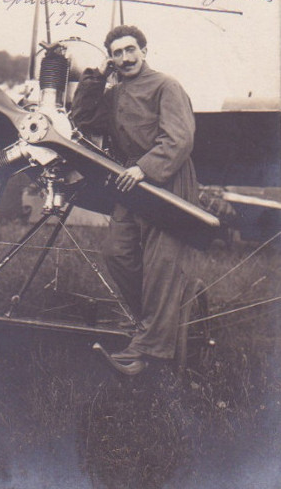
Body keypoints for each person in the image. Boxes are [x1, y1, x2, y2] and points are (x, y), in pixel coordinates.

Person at [71, 25, 199, 373]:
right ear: (110, 58)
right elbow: (81, 120)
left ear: (144, 49)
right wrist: (96, 76)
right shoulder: (114, 92)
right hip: (131, 183)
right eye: (116, 53)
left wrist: (145, 169)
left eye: (131, 50)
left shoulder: (166, 85)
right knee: (118, 253)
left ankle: (149, 352)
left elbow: (180, 138)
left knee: (161, 264)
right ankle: (153, 328)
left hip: (167, 180)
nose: (125, 58)